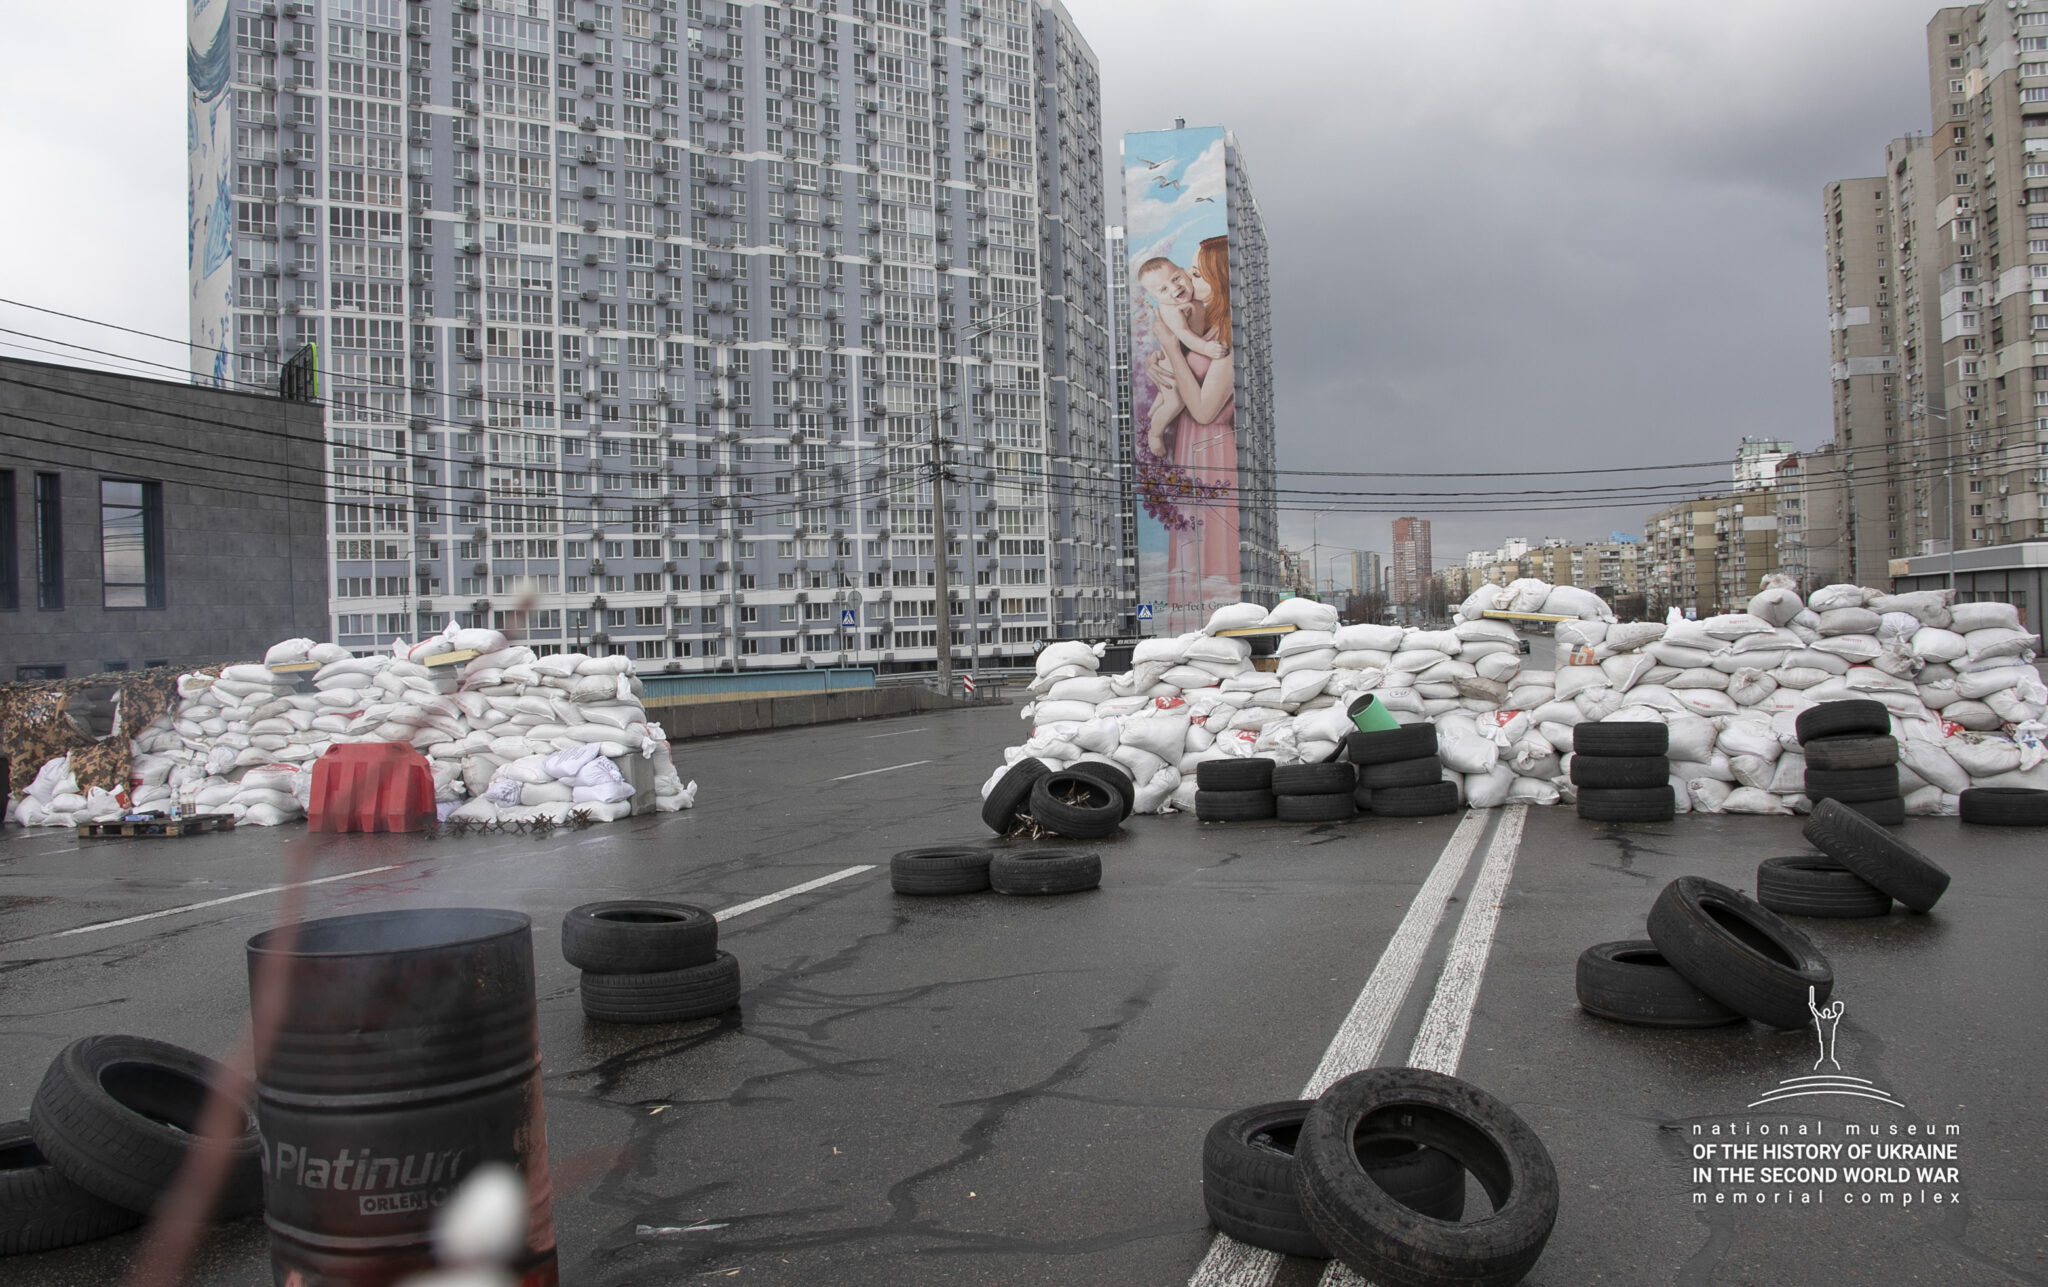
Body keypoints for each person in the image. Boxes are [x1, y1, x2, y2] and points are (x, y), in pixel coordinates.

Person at [1139, 237, 1238, 628]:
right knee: (1190, 552)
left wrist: (1169, 346)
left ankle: (1219, 632)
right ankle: (1185, 635)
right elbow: (1178, 358)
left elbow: (1202, 409)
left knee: (1212, 549)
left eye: (1195, 274)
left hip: (1213, 454)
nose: (1186, 283)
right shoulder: (1202, 323)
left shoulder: (1226, 341)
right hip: (1188, 449)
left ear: (1219, 279)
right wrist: (1158, 358)